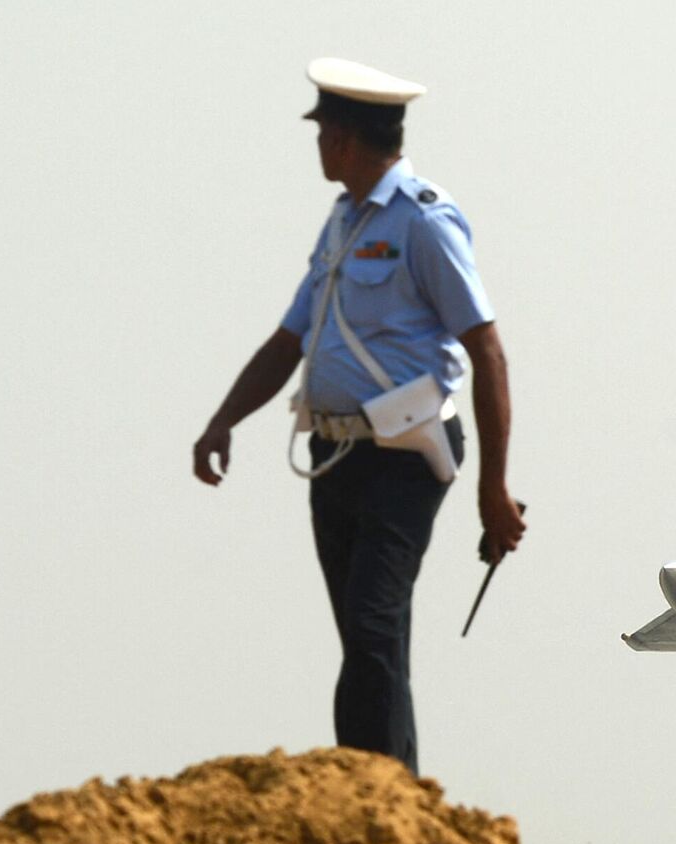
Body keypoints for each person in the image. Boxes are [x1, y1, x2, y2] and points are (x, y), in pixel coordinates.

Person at [192, 58, 526, 775]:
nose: (317, 144)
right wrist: (223, 420)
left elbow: (487, 352)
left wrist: (491, 490)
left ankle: (369, 801)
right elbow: (290, 339)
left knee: (373, 631)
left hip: (405, 457)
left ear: (346, 139)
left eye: (324, 131)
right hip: (336, 456)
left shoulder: (424, 222)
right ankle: (392, 806)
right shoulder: (342, 223)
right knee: (368, 640)